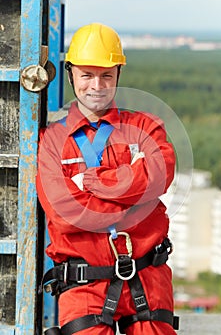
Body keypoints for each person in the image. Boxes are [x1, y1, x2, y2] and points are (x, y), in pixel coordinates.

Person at [37, 23, 178, 335]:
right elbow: (63, 216)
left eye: (106, 76)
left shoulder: (146, 128)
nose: (96, 86)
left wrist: (89, 182)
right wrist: (134, 201)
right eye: (87, 75)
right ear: (71, 73)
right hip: (84, 286)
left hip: (147, 276)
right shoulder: (51, 142)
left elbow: (159, 176)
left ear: (118, 76)